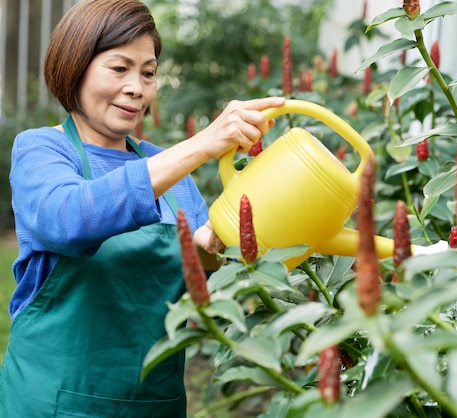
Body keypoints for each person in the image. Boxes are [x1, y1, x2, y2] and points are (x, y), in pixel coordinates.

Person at [0, 0, 285, 416]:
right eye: (120, 68)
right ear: (74, 66)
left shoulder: (169, 170)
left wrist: (221, 237)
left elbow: (204, 274)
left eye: (148, 73)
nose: (137, 86)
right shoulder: (42, 149)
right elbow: (68, 217)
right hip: (54, 401)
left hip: (153, 403)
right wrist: (202, 144)